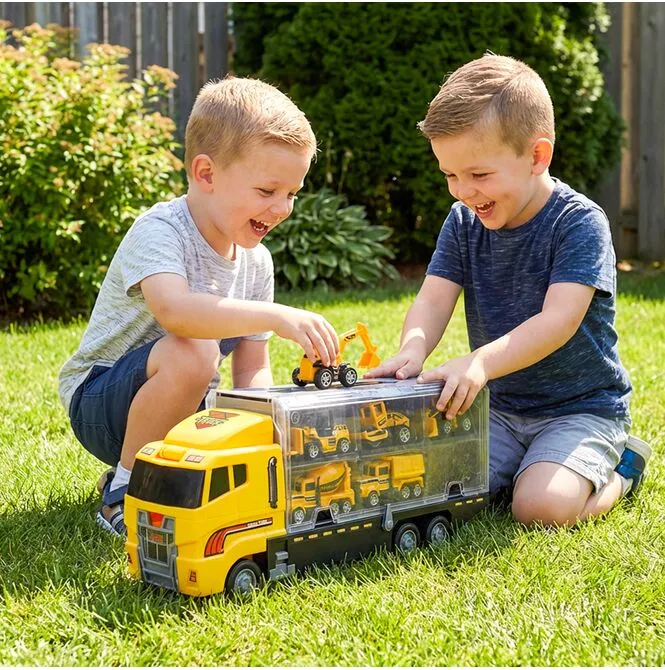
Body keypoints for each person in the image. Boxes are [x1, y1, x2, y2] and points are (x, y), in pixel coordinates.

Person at [366, 54, 651, 527]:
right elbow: (433, 298)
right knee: (430, 485)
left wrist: (479, 362)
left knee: (539, 508)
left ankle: (623, 470)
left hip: (580, 410)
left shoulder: (579, 223)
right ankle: (528, 468)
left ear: (537, 156)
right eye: (450, 175)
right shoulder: (463, 221)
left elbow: (558, 321)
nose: (462, 191)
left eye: (478, 175)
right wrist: (411, 351)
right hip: (498, 409)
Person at [59, 76, 339, 536]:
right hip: (100, 403)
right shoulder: (160, 231)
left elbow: (252, 371)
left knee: (237, 426)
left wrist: (266, 436)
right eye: (267, 191)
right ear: (206, 174)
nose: (282, 208)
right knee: (194, 349)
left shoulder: (257, 262)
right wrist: (277, 316)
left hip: (186, 405)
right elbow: (177, 313)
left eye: (292, 194)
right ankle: (125, 490)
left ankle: (156, 468)